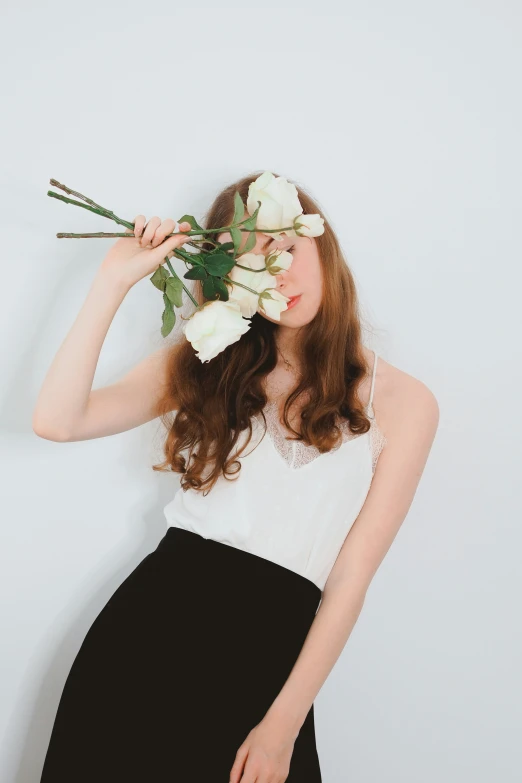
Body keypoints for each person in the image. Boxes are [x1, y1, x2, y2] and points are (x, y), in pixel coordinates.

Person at [33, 171, 439, 783]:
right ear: (232, 282)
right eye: (252, 263)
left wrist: (283, 727)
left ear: (320, 244)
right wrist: (113, 280)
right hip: (146, 643)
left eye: (286, 249)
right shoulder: (208, 359)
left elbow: (350, 578)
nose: (277, 274)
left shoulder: (406, 403)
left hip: (270, 666)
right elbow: (58, 421)